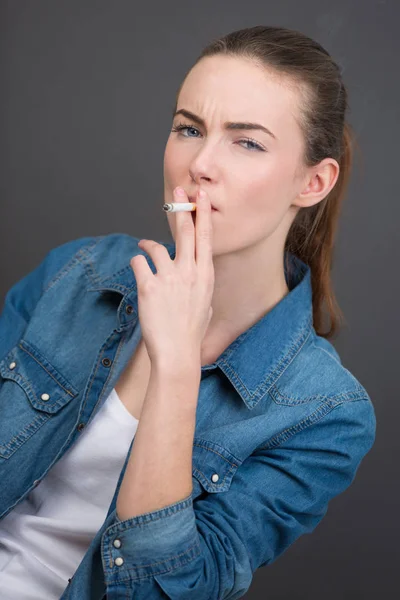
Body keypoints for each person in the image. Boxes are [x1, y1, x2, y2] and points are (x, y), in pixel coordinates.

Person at [0, 25, 376, 600]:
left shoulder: (325, 413)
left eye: (246, 142)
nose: (199, 164)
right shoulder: (76, 272)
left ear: (313, 181)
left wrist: (175, 366)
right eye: (188, 129)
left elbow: (167, 590)